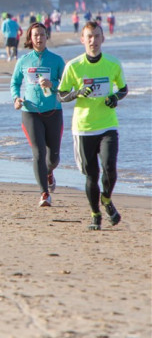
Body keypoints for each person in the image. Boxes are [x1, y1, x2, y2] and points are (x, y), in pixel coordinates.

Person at [58, 20, 127, 230]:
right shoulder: (74, 66)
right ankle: (95, 214)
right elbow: (61, 95)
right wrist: (77, 93)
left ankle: (106, 199)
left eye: (97, 36)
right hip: (83, 128)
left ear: (102, 38)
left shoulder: (113, 64)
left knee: (110, 170)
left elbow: (123, 89)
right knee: (92, 175)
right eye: (89, 36)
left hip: (108, 125)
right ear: (82, 40)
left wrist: (115, 98)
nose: (93, 41)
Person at [10, 23, 66, 207]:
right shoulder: (24, 61)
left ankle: (49, 172)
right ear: (30, 38)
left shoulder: (56, 60)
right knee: (39, 153)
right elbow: (15, 83)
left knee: (53, 158)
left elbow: (68, 86)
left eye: (42, 35)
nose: (39, 38)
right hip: (30, 112)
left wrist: (53, 85)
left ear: (46, 36)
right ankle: (44, 193)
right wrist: (16, 98)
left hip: (53, 112)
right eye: (35, 35)